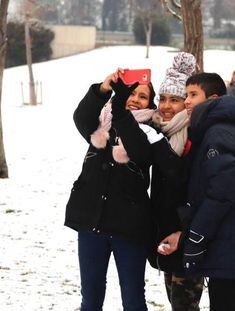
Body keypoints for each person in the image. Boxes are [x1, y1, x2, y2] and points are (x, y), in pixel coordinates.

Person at [65, 68, 162, 311]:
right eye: (130, 93)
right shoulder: (100, 124)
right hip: (91, 223)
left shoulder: (152, 131)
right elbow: (80, 116)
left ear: (150, 103)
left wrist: (119, 107)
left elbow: (140, 151)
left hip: (128, 229)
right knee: (91, 297)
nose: (135, 99)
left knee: (133, 300)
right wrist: (103, 88)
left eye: (142, 96)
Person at [182, 72, 235, 311]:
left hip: (229, 242)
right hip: (227, 243)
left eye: (193, 95)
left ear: (213, 99)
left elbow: (220, 194)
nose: (186, 101)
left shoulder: (218, 134)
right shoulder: (216, 130)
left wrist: (197, 235)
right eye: (186, 94)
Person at [147, 52, 204, 311]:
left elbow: (183, 179)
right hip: (165, 235)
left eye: (175, 100)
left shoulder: (194, 133)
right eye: (162, 98)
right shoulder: (161, 129)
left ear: (187, 104)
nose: (166, 106)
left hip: (188, 237)